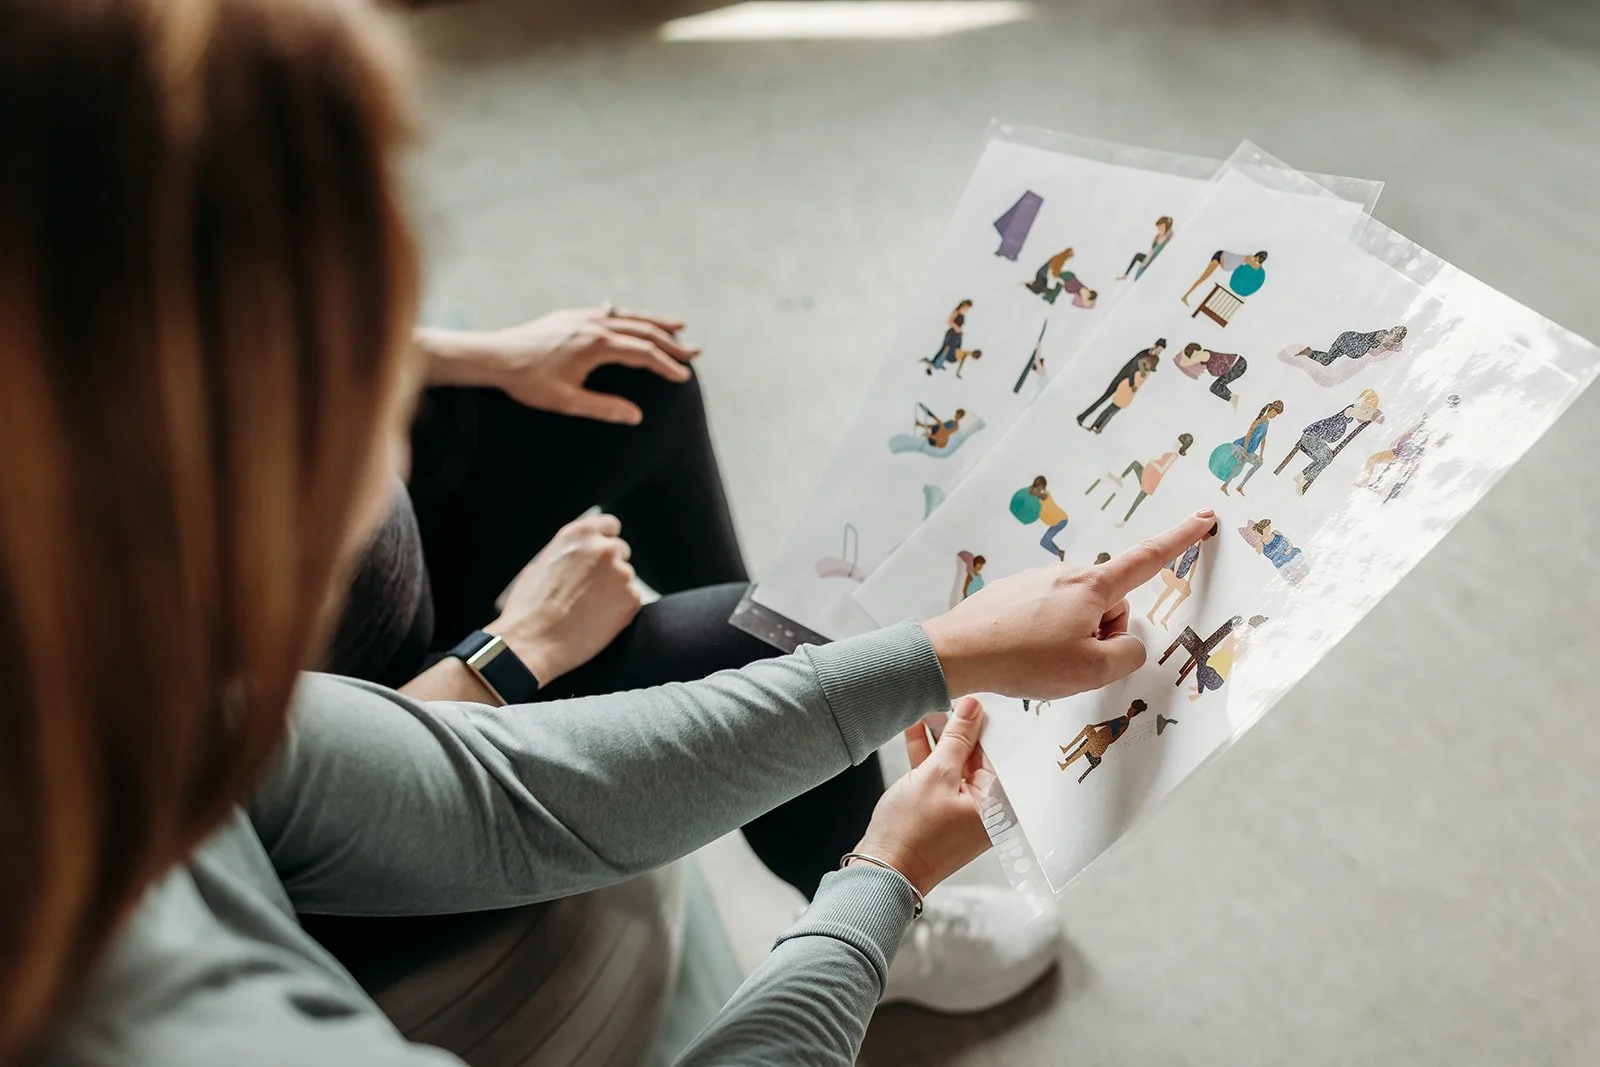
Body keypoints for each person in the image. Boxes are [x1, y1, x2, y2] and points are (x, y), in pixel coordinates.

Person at [0, 3, 1230, 1062]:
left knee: (635, 394)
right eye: (370, 368)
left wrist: (934, 651)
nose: (400, 429)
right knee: (724, 633)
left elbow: (495, 801)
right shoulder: (192, 1022)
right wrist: (875, 890)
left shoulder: (140, 701)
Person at [1285, 389, 1383, 494]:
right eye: (1367, 407)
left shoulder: (1349, 416)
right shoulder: (1350, 410)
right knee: (1327, 458)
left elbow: (1361, 417)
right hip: (1310, 437)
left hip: (1314, 438)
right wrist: (1374, 415)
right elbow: (1361, 415)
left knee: (1325, 457)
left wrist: (1372, 414)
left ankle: (1300, 476)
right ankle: (1304, 480)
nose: (1367, 411)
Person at [1087, 434, 1194, 527]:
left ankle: (1124, 521)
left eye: (1179, 441)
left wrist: (1153, 462)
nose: (1175, 442)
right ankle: (1120, 478)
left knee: (1136, 502)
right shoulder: (1171, 453)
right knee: (1135, 464)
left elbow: (1162, 469)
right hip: (1148, 476)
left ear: (1181, 445)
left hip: (1151, 481)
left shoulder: (1173, 456)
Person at [1147, 521, 1220, 628]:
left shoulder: (1198, 545)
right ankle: (1165, 617)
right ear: (1205, 532)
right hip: (1170, 570)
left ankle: (1152, 613)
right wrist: (1176, 572)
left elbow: (1194, 565)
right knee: (1186, 592)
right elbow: (1180, 555)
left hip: (1175, 574)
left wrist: (1189, 581)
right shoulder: (1192, 540)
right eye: (1208, 536)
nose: (1208, 539)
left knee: (1172, 589)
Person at [1079, 339, 1164, 428]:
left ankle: (1095, 424)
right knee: (1104, 398)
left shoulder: (1153, 358)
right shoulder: (1143, 354)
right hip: (1121, 379)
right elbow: (1132, 369)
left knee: (1114, 405)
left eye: (1161, 350)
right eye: (1159, 348)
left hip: (1126, 384)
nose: (1160, 351)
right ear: (1155, 346)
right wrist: (1132, 385)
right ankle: (1082, 417)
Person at [1057, 701, 1148, 782]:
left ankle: (1066, 765)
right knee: (1088, 727)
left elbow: (1115, 738)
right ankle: (1067, 748)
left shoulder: (1126, 725)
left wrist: (1104, 739)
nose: (1129, 710)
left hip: (1100, 746)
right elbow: (1108, 722)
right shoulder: (1122, 717)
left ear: (1134, 713)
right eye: (1129, 708)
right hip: (1098, 737)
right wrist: (1095, 726)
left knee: (1090, 743)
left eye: (1131, 710)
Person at [1213, 400, 1284, 495]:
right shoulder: (1259, 420)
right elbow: (1249, 434)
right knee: (1241, 463)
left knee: (1258, 463)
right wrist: (1245, 450)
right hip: (1240, 446)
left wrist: (1261, 454)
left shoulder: (1267, 423)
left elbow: (1263, 440)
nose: (1274, 416)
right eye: (1275, 414)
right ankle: (1225, 486)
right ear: (1271, 410)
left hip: (1249, 450)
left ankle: (1240, 487)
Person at [1190, 617, 1268, 700]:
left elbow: (1201, 673)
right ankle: (1251, 626)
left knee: (1229, 649)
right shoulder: (1208, 662)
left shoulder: (1211, 661)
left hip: (1217, 679)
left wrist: (1199, 691)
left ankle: (1251, 626)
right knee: (1229, 648)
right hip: (1216, 678)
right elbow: (1201, 673)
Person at [1013, 475, 1071, 560]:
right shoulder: (1035, 499)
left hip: (1061, 521)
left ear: (1043, 486)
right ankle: (1059, 552)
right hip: (1055, 523)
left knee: (1045, 541)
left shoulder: (1045, 494)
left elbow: (1041, 495)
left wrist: (1034, 492)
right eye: (1036, 486)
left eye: (1039, 486)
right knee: (1044, 542)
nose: (1038, 488)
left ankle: (1059, 553)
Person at [1181, 249, 1268, 305]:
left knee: (1203, 278)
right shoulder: (1250, 258)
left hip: (1223, 261)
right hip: (1220, 257)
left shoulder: (1253, 262)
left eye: (1257, 260)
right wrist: (1259, 263)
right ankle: (1185, 296)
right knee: (1203, 278)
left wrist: (1259, 263)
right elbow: (1255, 266)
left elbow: (1256, 266)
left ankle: (1185, 296)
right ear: (1255, 256)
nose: (1255, 261)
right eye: (1256, 259)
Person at [1293, 325, 1407, 368]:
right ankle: (1308, 352)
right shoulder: (1383, 335)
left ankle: (1308, 352)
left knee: (1327, 360)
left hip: (1348, 339)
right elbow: (1380, 340)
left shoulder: (1385, 340)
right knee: (1327, 360)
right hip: (1350, 342)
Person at [1176, 342, 1248, 406]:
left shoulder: (1204, 354)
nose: (1193, 358)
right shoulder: (1204, 358)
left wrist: (1183, 353)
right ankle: (1233, 398)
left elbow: (1184, 363)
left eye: (1193, 356)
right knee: (1215, 387)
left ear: (1196, 352)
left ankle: (1233, 398)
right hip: (1235, 367)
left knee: (1215, 387)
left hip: (1238, 365)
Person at [1117, 216, 1174, 281]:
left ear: (1165, 225)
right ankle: (1125, 275)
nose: (1159, 230)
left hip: (1150, 261)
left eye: (1160, 227)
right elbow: (1152, 250)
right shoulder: (1158, 237)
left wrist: (1168, 223)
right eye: (1158, 228)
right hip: (1146, 261)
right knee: (1137, 256)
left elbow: (1169, 231)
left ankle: (1125, 275)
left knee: (1138, 276)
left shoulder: (1167, 235)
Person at [923, 300, 972, 373]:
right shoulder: (956, 312)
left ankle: (935, 363)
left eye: (968, 308)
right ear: (964, 305)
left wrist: (960, 332)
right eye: (967, 307)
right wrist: (957, 328)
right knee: (945, 349)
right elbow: (949, 321)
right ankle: (933, 365)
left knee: (948, 350)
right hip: (952, 333)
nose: (967, 309)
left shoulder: (962, 314)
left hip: (957, 334)